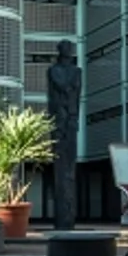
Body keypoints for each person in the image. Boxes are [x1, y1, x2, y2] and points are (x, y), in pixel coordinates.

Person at [47, 39, 82, 229]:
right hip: (59, 121)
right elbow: (61, 87)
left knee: (70, 169)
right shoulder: (54, 70)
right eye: (66, 49)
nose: (69, 52)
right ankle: (63, 218)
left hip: (71, 119)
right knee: (61, 168)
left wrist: (74, 116)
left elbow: (78, 93)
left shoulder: (78, 71)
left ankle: (69, 217)